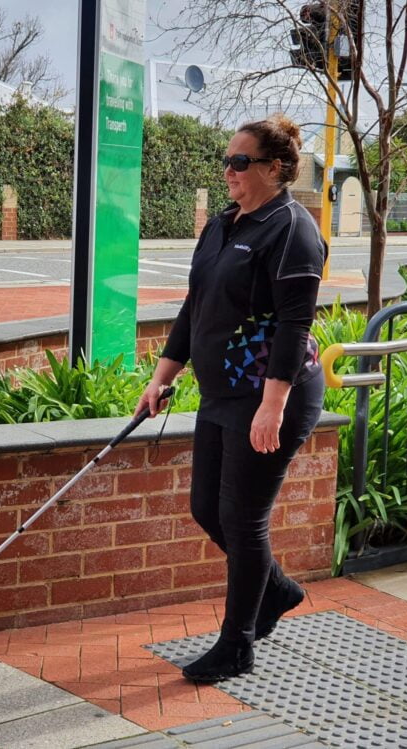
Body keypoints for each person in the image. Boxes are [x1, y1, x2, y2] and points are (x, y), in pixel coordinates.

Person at [135, 114, 327, 683]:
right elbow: (196, 307)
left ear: (273, 168)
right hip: (222, 392)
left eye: (240, 162)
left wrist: (273, 406)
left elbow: (295, 324)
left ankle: (237, 644)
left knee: (243, 521)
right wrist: (162, 376)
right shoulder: (222, 224)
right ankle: (278, 590)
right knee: (205, 509)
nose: (228, 171)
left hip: (269, 393)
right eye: (227, 160)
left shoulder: (292, 228)